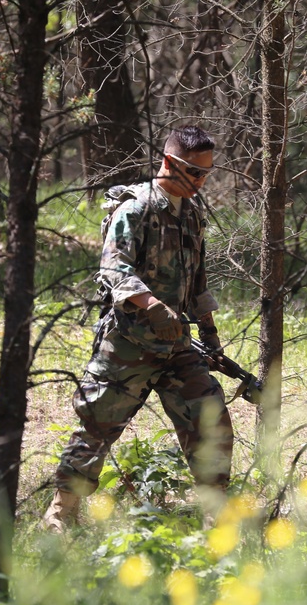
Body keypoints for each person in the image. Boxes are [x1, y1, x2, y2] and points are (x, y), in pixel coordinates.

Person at [43, 125, 235, 532]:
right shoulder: (136, 209)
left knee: (210, 419)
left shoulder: (192, 214)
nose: (202, 182)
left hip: (177, 345)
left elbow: (197, 281)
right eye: (194, 173)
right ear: (169, 163)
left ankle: (216, 520)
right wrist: (151, 305)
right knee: (96, 427)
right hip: (128, 343)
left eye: (207, 173)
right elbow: (114, 268)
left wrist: (210, 335)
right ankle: (60, 515)